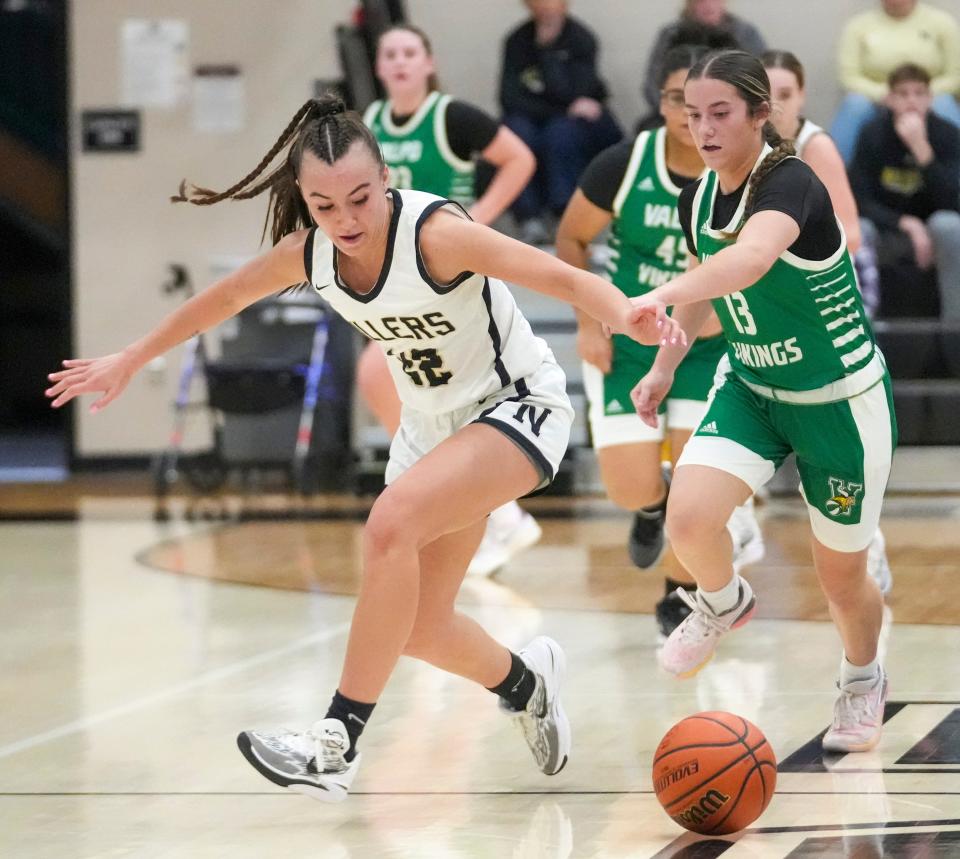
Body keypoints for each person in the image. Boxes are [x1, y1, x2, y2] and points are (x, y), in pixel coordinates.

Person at [45, 96, 684, 800]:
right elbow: (221, 300)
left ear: (385, 175)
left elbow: (556, 275)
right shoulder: (310, 255)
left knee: (388, 525)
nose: (346, 220)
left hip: (516, 406)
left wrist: (623, 311)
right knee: (416, 628)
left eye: (359, 197)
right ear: (304, 201)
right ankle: (527, 683)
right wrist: (132, 357)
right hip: (431, 425)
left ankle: (336, 740)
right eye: (324, 206)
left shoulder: (437, 233)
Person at [630, 50, 897, 754]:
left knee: (841, 576)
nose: (705, 128)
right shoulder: (697, 199)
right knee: (686, 520)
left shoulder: (792, 183)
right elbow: (707, 288)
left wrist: (654, 295)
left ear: (759, 113)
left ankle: (863, 675)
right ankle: (722, 600)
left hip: (836, 399)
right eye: (693, 115)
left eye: (721, 113)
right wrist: (663, 366)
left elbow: (747, 261)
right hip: (752, 385)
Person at [556, 43, 764, 641]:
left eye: (705, 104)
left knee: (696, 488)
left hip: (709, 345)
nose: (691, 115)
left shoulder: (748, 174)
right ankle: (650, 508)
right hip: (631, 337)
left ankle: (681, 591)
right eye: (678, 99)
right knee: (628, 486)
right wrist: (586, 320)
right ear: (663, 102)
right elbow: (571, 243)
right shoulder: (623, 163)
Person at [361, 24, 543, 576]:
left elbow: (519, 159)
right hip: (396, 281)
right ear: (379, 67)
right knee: (420, 395)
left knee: (381, 373)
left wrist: (478, 220)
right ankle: (491, 513)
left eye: (409, 52)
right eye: (389, 54)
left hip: (448, 272)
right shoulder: (365, 126)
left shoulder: (452, 117)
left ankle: (492, 512)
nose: (399, 62)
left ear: (428, 62)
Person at [762, 48, 893, 594]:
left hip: (832, 298)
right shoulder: (741, 150)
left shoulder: (815, 146)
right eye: (765, 97)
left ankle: (871, 542)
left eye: (785, 96)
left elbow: (853, 234)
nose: (775, 107)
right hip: (772, 302)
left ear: (802, 97)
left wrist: (778, 249)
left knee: (841, 443)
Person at [499, 0, 623, 243]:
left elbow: (577, 91)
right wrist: (557, 108)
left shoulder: (581, 38)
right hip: (538, 117)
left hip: (565, 122)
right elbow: (509, 97)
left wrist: (548, 52)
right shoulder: (517, 40)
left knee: (560, 134)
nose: (544, 5)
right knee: (515, 132)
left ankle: (564, 215)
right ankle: (528, 218)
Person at [849, 63, 960, 323]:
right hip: (887, 225)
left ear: (930, 99)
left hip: (935, 227)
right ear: (889, 99)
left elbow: (955, 201)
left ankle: (955, 335)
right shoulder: (873, 134)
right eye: (903, 94)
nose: (911, 102)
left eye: (919, 93)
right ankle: (862, 327)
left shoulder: (946, 134)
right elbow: (858, 200)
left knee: (950, 226)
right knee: (858, 229)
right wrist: (905, 223)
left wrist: (924, 153)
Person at [831, 0, 960, 163]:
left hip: (930, 97)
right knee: (855, 104)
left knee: (944, 104)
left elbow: (955, 76)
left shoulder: (943, 23)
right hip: (877, 99)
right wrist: (889, 95)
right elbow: (848, 76)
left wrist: (917, 95)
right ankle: (831, 175)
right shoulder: (858, 26)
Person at [641, 1, 766, 120]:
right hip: (677, 114)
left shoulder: (745, 34)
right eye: (701, 0)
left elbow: (760, 82)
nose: (708, 5)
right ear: (690, 3)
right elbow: (652, 85)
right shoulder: (671, 34)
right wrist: (676, 112)